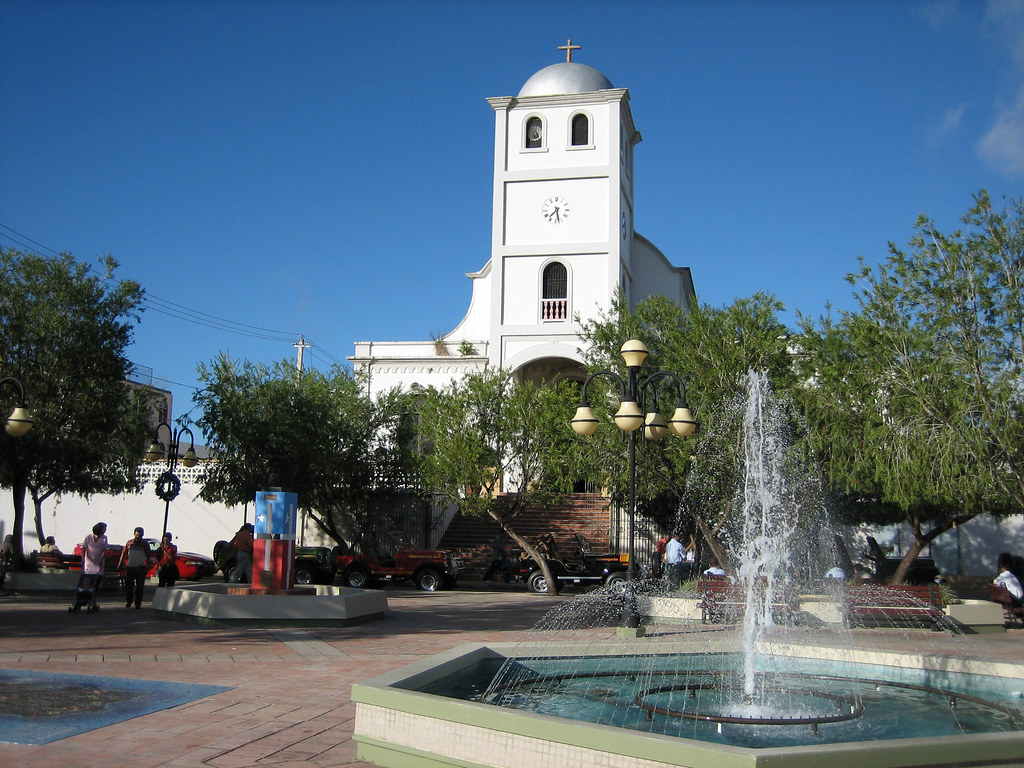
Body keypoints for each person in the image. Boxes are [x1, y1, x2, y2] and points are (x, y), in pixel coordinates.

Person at [118, 526, 152, 609]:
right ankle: (129, 601)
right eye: (136, 535)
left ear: (142, 535)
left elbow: (148, 556)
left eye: (140, 536)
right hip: (130, 567)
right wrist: (120, 564)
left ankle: (138, 603)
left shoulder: (145, 544)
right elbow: (123, 553)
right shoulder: (129, 543)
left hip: (140, 568)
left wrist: (147, 568)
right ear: (134, 534)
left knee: (140, 587)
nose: (138, 537)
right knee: (129, 586)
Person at [80, 522, 109, 607]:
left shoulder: (104, 538)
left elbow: (104, 550)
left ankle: (93, 600)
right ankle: (85, 598)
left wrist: (101, 560)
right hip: (89, 563)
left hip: (98, 563)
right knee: (88, 583)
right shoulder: (88, 537)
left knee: (96, 583)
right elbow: (84, 549)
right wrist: (82, 559)